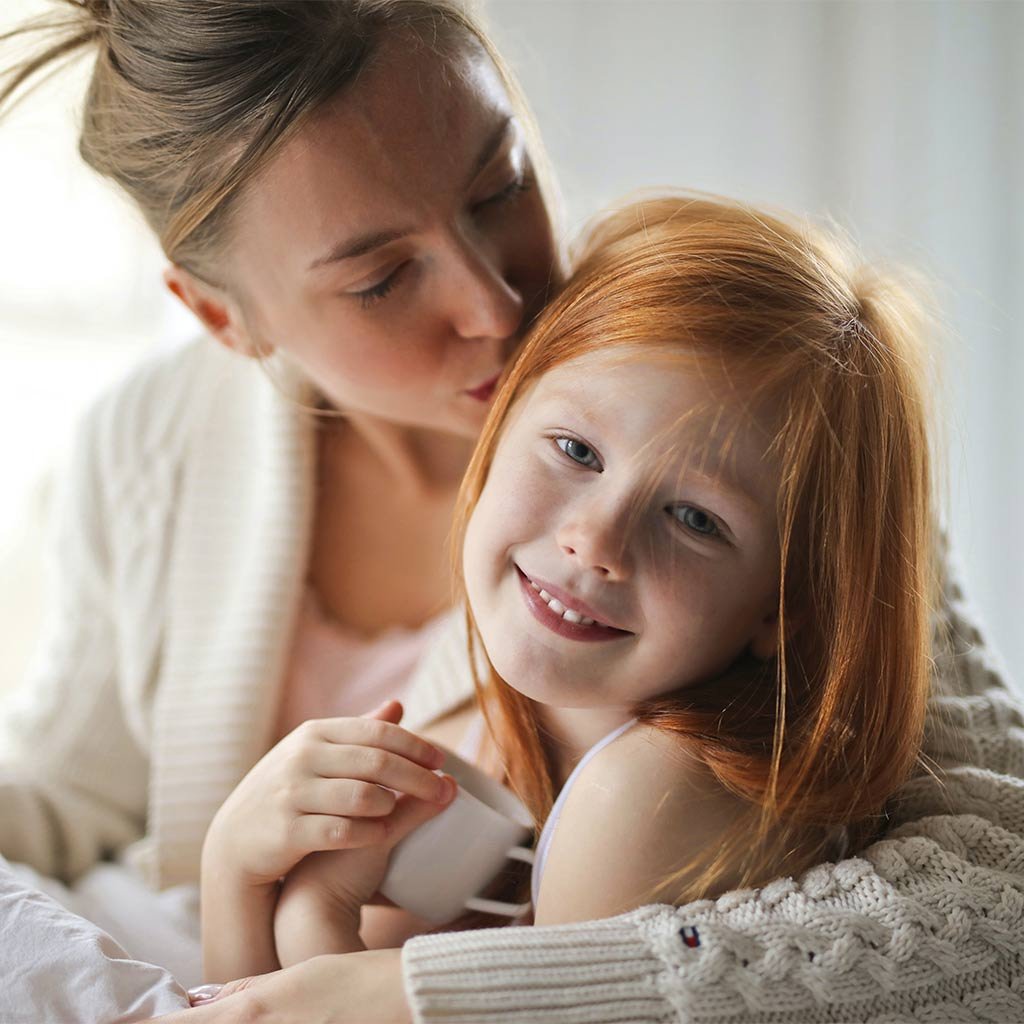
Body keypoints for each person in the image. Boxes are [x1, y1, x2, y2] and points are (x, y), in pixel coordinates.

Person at [0, 2, 1020, 1023]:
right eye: (382, 277)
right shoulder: (153, 437)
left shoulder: (736, 399)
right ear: (225, 315)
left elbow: (1000, 893)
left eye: (500, 186)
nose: (496, 303)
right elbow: (67, 800)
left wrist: (440, 994)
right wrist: (255, 884)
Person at [209, 191, 934, 974]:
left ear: (782, 607)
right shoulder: (488, 727)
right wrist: (236, 874)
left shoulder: (651, 799)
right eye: (576, 451)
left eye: (696, 519)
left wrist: (310, 912)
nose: (594, 543)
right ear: (498, 424)